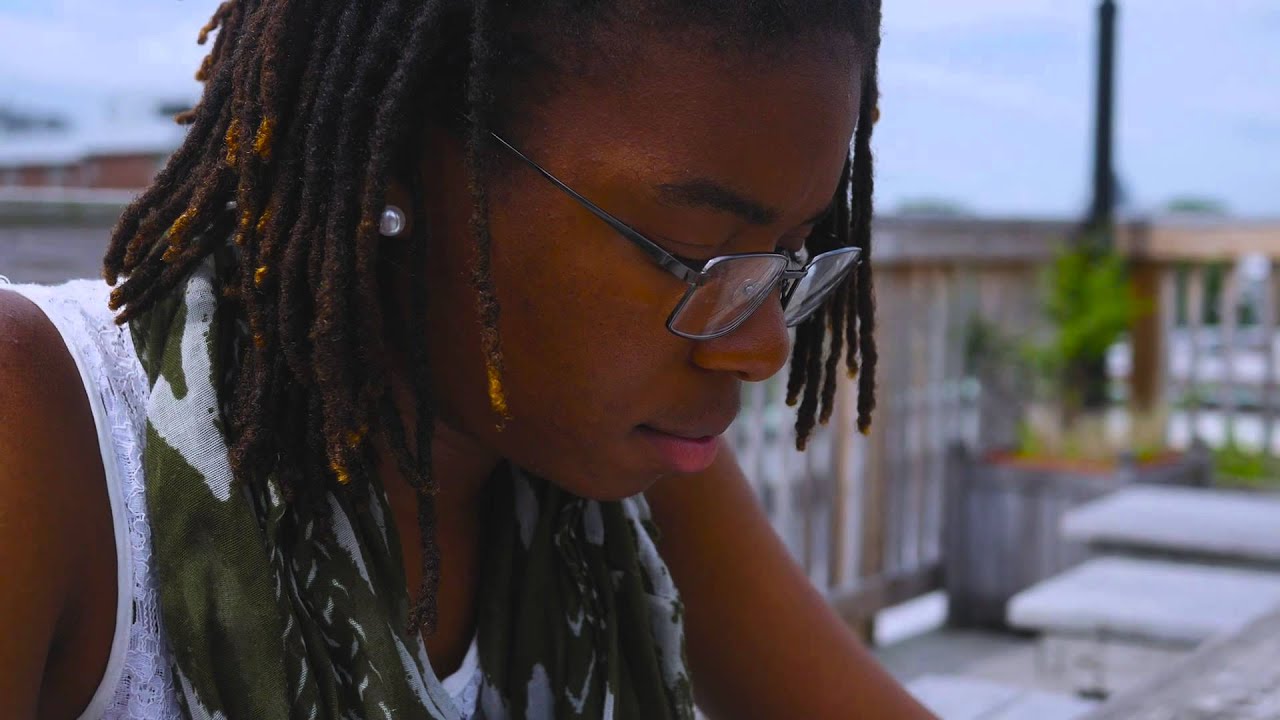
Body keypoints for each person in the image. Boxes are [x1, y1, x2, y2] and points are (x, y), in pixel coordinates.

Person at [0, 0, 935, 718]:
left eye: (795, 253)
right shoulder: (44, 431)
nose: (764, 346)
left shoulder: (635, 463)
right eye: (697, 254)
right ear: (401, 158)